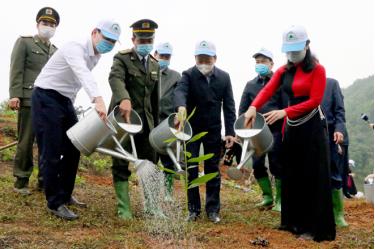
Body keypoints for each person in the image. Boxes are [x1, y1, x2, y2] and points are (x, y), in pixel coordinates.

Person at [243, 25, 336, 241]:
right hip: (292, 128)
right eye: (289, 51)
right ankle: (293, 222)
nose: (292, 55)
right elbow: (267, 90)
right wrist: (253, 107)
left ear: (306, 46)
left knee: (311, 175)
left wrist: (285, 111)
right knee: (293, 172)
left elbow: (315, 101)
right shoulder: (284, 71)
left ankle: (315, 228)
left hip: (311, 127)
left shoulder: (318, 70)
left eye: (296, 50)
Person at [32, 19, 121, 220]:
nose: (109, 43)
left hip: (64, 101)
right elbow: (81, 74)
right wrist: (98, 99)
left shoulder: (95, 56)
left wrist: (71, 106)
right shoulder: (76, 47)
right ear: (94, 32)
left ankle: (65, 194)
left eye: (113, 41)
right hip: (46, 96)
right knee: (52, 151)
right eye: (106, 38)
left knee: (75, 146)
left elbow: (72, 84)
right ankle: (55, 203)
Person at [174, 40, 236, 223]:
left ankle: (213, 210)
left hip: (213, 130)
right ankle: (193, 210)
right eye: (200, 59)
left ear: (215, 58)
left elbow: (229, 106)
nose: (203, 63)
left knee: (212, 169)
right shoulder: (188, 74)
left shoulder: (224, 78)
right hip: (192, 129)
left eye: (207, 59)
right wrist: (180, 107)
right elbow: (180, 92)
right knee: (191, 168)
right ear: (195, 58)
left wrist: (230, 132)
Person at [108, 19, 160, 220]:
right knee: (121, 162)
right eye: (142, 39)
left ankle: (152, 207)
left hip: (146, 124)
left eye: (149, 39)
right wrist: (124, 98)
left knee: (150, 164)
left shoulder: (154, 64)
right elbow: (115, 79)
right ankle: (124, 208)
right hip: (123, 121)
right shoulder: (122, 59)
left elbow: (155, 98)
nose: (146, 42)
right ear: (133, 39)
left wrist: (155, 126)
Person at [9, 7, 60, 195]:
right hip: (29, 99)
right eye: (45, 23)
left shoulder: (56, 51)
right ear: (38, 24)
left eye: (52, 24)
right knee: (26, 141)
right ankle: (21, 180)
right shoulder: (25, 43)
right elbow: (16, 69)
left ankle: (44, 180)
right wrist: (15, 94)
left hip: (49, 103)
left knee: (47, 143)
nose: (48, 27)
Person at [238, 48, 284, 211]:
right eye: (257, 62)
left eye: (263, 61)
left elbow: (286, 105)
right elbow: (243, 109)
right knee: (257, 164)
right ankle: (267, 197)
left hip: (277, 129)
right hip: (256, 132)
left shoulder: (280, 82)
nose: (260, 65)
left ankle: (280, 200)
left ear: (272, 64)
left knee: (276, 164)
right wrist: (242, 130)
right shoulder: (250, 85)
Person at [154, 42, 181, 198]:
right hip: (151, 122)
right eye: (162, 55)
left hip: (167, 123)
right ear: (155, 54)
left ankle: (168, 193)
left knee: (168, 158)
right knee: (151, 158)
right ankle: (153, 192)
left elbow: (179, 97)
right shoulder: (147, 72)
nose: (164, 58)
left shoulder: (175, 76)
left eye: (167, 56)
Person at [321, 77, 349, 227]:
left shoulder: (331, 84)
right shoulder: (303, 84)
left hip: (330, 134)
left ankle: (338, 214)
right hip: (309, 135)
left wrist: (339, 129)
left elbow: (339, 111)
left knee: (334, 173)